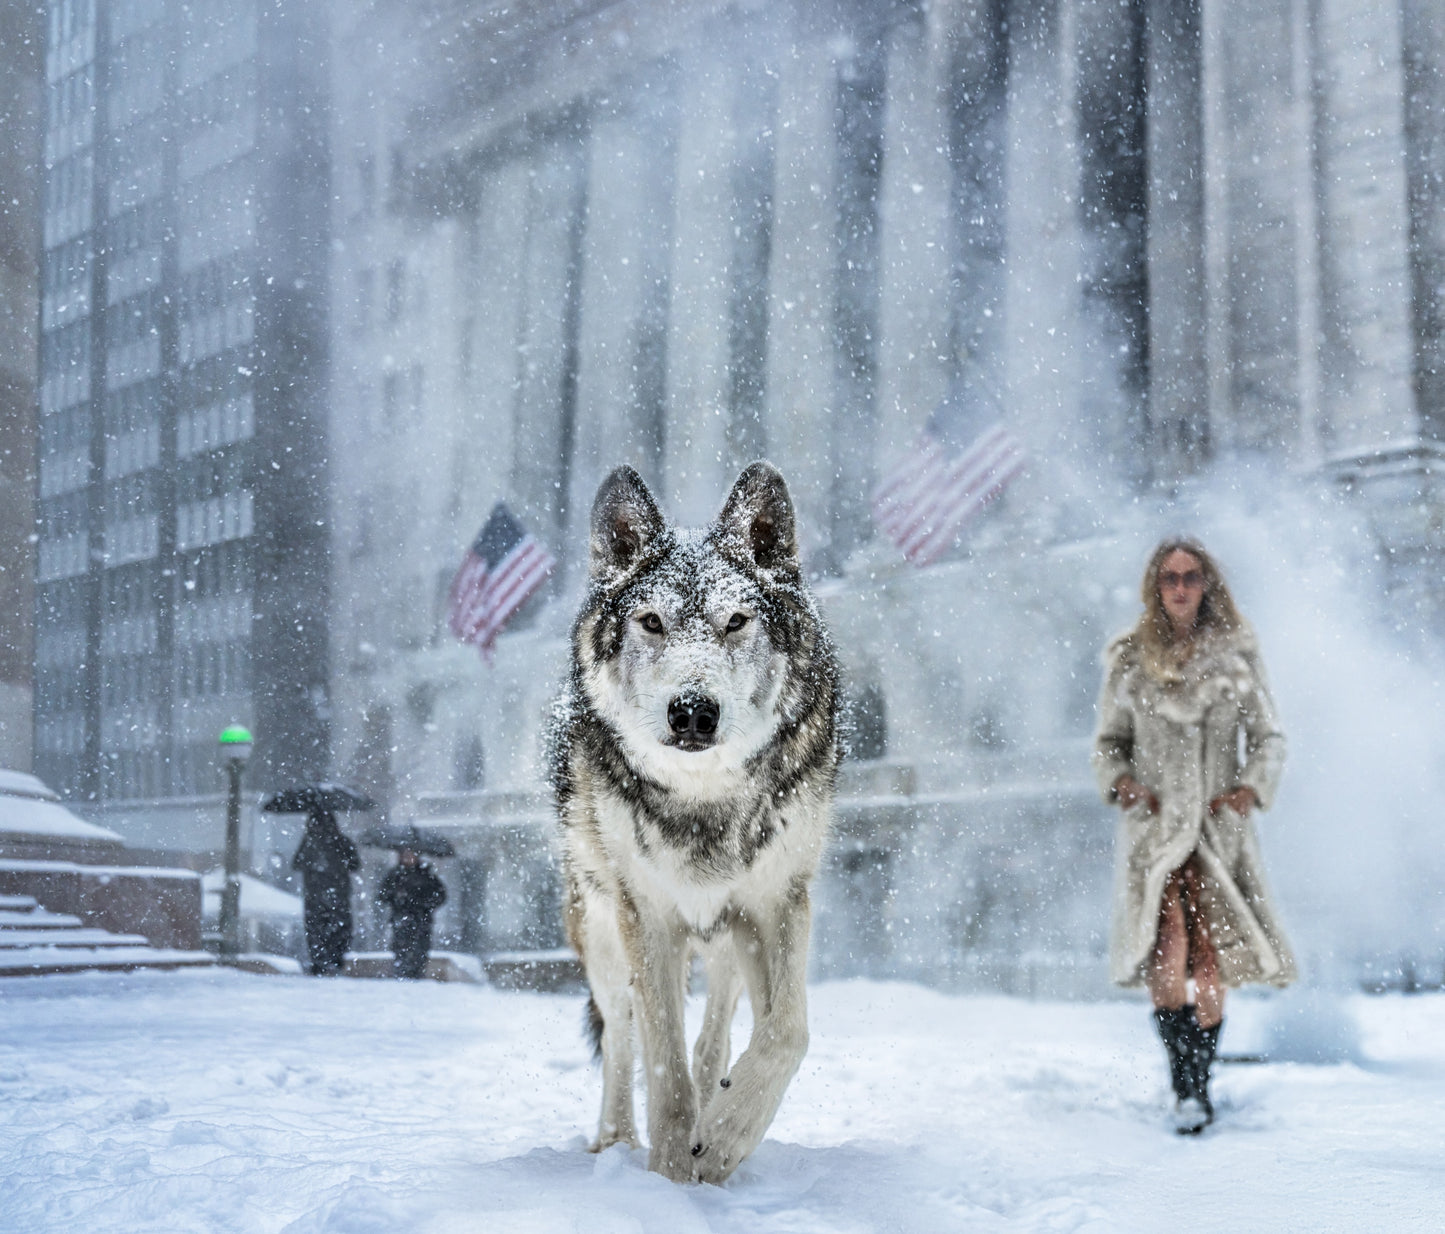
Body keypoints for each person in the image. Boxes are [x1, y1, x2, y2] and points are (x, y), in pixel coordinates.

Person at [1093, 538, 1295, 1133]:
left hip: (1216, 831)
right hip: (1155, 833)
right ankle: (1185, 1084)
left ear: (1207, 585)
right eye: (1170, 578)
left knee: (1209, 957)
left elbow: (1270, 738)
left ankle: (1197, 1086)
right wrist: (1124, 784)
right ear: (1155, 587)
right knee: (1167, 947)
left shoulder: (1236, 656)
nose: (1180, 588)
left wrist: (1248, 790)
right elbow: (1109, 744)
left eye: (1191, 577)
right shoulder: (1131, 659)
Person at [291, 807, 361, 975]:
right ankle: (333, 961)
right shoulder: (341, 842)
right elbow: (355, 864)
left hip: (316, 895)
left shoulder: (310, 843)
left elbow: (297, 864)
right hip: (336, 894)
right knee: (337, 929)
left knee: (317, 930)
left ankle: (321, 962)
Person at [377, 847, 447, 980]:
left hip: (421, 919)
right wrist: (396, 896)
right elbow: (383, 895)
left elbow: (440, 896)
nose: (408, 858)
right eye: (405, 855)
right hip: (401, 918)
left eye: (411, 855)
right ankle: (402, 972)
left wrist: (423, 902)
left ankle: (416, 973)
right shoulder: (394, 876)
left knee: (420, 948)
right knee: (401, 947)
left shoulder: (426, 875)